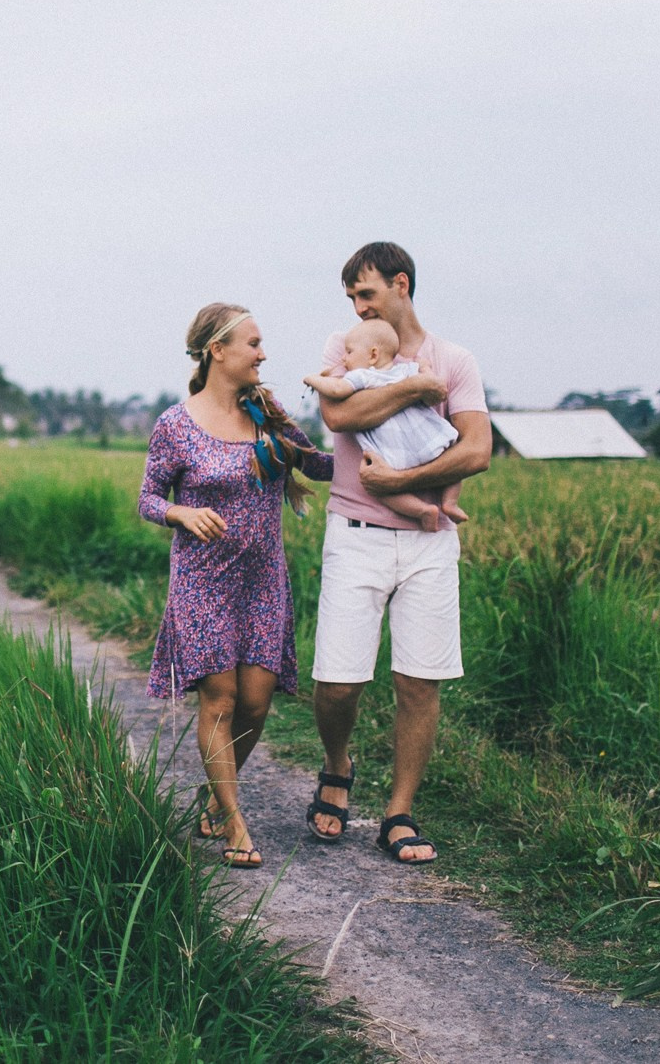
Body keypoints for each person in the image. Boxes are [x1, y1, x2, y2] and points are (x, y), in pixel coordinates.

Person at [307, 243, 491, 863]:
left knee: (419, 682)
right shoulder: (345, 345)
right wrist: (414, 391)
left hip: (429, 542)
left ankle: (400, 810)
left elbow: (477, 451)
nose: (357, 309)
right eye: (352, 298)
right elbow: (338, 410)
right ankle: (338, 764)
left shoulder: (455, 360)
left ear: (401, 284)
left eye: (367, 294)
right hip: (354, 532)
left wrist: (399, 483)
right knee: (337, 684)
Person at [139, 303, 335, 868]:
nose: (263, 353)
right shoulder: (176, 424)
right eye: (252, 343)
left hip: (262, 579)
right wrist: (179, 514)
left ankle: (215, 797)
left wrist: (354, 410)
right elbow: (148, 497)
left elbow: (319, 466)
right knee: (220, 698)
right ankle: (235, 821)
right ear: (216, 351)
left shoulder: (267, 417)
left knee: (255, 702)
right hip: (203, 580)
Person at [302, 318, 466, 532]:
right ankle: (450, 502)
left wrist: (313, 379)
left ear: (373, 355)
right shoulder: (407, 370)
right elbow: (430, 382)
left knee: (381, 488)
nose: (344, 358)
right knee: (452, 461)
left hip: (393, 452)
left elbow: (336, 390)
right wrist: (425, 367)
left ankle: (423, 511)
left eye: (349, 352)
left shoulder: (362, 376)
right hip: (423, 438)